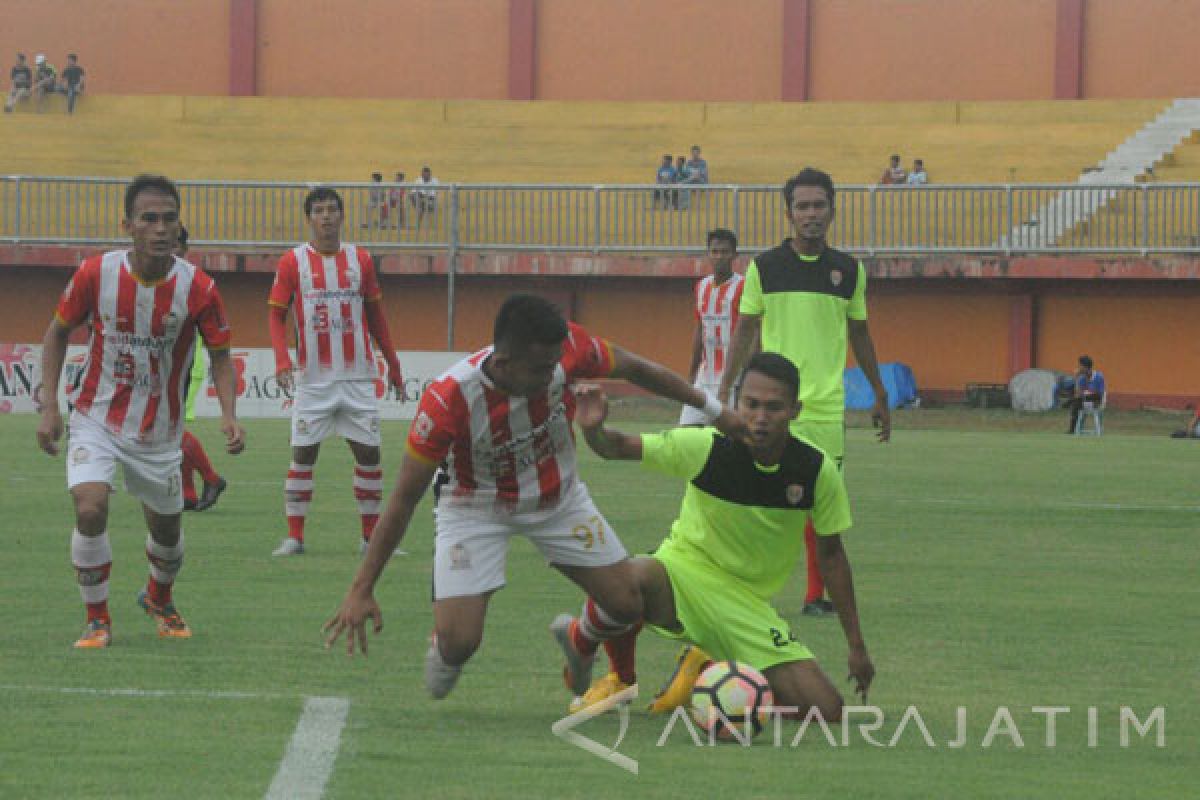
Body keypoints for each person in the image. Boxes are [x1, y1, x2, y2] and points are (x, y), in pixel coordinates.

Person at [321, 293, 748, 701]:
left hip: (557, 498)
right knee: (459, 646)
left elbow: (637, 368)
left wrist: (715, 410)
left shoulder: (569, 348)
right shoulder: (447, 400)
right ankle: (447, 641)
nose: (554, 375)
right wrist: (362, 588)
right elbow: (403, 499)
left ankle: (580, 642)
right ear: (505, 362)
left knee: (626, 602)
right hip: (474, 507)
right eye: (542, 369)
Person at [556, 353, 874, 717]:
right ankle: (618, 676)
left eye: (774, 407)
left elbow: (831, 556)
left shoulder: (817, 470)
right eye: (751, 404)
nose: (760, 417)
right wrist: (594, 429)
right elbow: (616, 448)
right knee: (629, 576)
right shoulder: (706, 447)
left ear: (796, 410)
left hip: (748, 607)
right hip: (683, 576)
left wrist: (857, 647)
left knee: (825, 709)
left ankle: (704, 673)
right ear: (736, 403)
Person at [35, 174, 246, 649]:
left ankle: (159, 597)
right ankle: (97, 619)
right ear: (127, 224)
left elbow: (220, 355)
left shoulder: (200, 288)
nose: (160, 228)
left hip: (160, 434)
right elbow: (56, 332)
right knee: (90, 507)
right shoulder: (95, 274)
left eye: (169, 219)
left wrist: (229, 414)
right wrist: (49, 405)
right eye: (149, 218)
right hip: (97, 418)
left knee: (167, 530)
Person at [712, 167, 889, 631]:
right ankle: (740, 586)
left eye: (819, 205)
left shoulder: (849, 271)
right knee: (752, 497)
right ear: (789, 212)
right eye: (802, 206)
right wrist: (727, 392)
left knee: (820, 503)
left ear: (833, 209)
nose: (811, 214)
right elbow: (745, 330)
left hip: (826, 408)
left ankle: (815, 596)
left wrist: (879, 391)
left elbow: (861, 334)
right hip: (770, 406)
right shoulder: (764, 268)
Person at [268, 187, 404, 556]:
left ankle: (370, 539)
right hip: (313, 379)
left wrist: (392, 364)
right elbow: (276, 315)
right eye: (318, 211)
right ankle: (295, 537)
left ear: (342, 215)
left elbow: (377, 316)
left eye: (332, 210)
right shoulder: (292, 262)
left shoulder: (360, 259)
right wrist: (283, 360)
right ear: (309, 218)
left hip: (358, 377)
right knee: (303, 455)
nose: (326, 216)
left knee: (369, 455)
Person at [175, 226, 227, 513]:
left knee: (171, 430)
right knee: (172, 431)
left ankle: (210, 477)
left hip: (184, 363)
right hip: (172, 363)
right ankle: (188, 493)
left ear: (183, 249)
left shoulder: (190, 281)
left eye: (176, 245)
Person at [680, 228, 744, 426]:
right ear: (708, 254)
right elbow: (700, 329)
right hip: (704, 377)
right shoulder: (702, 286)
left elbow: (751, 334)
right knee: (686, 431)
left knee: (724, 437)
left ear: (734, 255)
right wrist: (691, 374)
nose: (719, 257)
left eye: (725, 252)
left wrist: (748, 377)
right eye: (715, 252)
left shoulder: (743, 286)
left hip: (732, 379)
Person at [1067, 355, 1106, 434]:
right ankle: (1073, 429)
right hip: (1085, 401)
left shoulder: (1098, 376)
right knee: (1076, 401)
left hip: (1096, 402)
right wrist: (1076, 379)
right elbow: (1077, 394)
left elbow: (1100, 393)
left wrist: (1086, 393)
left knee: (1076, 402)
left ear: (1086, 367)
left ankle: (1072, 429)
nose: (1079, 368)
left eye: (1080, 366)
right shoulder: (1082, 378)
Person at [410, 166, 439, 231]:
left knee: (421, 205)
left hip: (431, 201)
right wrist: (420, 196)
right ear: (421, 174)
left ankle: (418, 224)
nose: (424, 176)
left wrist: (423, 196)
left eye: (426, 174)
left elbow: (433, 195)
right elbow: (413, 192)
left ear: (430, 174)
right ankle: (419, 208)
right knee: (413, 195)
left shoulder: (435, 181)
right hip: (420, 200)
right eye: (423, 174)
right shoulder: (418, 180)